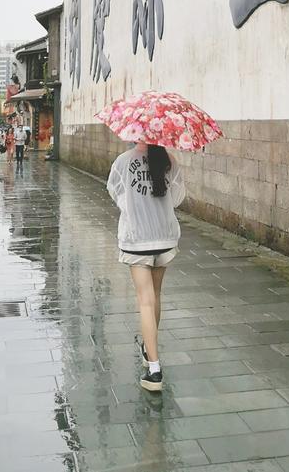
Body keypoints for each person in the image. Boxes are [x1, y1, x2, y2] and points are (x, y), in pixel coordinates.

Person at [106, 141, 185, 392]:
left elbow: (115, 192)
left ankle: (154, 368)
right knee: (155, 295)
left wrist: (135, 206)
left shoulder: (124, 160)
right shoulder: (169, 160)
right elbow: (177, 198)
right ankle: (148, 349)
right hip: (164, 235)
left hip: (137, 239)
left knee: (145, 300)